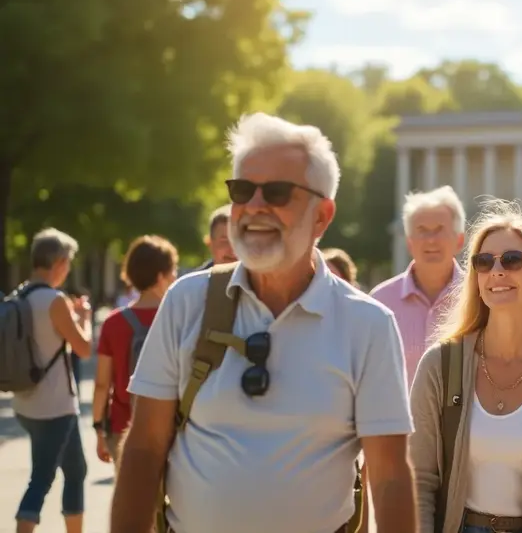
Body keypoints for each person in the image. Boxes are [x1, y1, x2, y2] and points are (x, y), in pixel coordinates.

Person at [110, 112, 416, 533]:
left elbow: (391, 475)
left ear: (322, 216)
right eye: (242, 190)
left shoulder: (369, 324)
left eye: (276, 192)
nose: (254, 206)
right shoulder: (186, 301)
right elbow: (144, 447)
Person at [409, 200, 522, 533]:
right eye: (484, 262)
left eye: (512, 260)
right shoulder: (439, 365)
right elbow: (419, 482)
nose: (496, 271)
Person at [12, 228, 92, 533]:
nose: (68, 269)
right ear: (59, 262)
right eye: (68, 262)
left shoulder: (21, 295)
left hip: (27, 403)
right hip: (54, 406)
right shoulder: (54, 300)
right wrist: (83, 317)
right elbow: (83, 348)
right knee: (41, 478)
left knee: (76, 470)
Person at [91, 235, 178, 473]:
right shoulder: (178, 319)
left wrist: (99, 427)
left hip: (123, 427)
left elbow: (101, 384)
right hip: (171, 426)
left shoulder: (113, 323)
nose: (175, 278)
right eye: (173, 271)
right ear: (161, 276)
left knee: (130, 501)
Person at [371, 185, 465, 386]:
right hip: (401, 417)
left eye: (440, 230)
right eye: (422, 231)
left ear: (459, 240)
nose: (431, 240)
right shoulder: (380, 301)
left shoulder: (480, 296)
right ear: (409, 242)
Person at [190, 204, 237, 272]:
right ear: (209, 243)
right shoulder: (194, 282)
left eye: (238, 240)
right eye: (225, 241)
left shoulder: (256, 281)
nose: (233, 249)